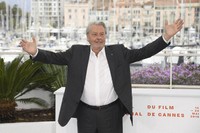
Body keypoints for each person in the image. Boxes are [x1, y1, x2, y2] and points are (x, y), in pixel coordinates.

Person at [20, 19, 183, 133]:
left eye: (102, 34)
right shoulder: (76, 53)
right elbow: (53, 58)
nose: (99, 37)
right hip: (85, 113)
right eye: (95, 34)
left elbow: (144, 52)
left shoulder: (119, 53)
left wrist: (166, 37)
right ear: (88, 37)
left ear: (105, 36)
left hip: (111, 113)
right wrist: (35, 52)